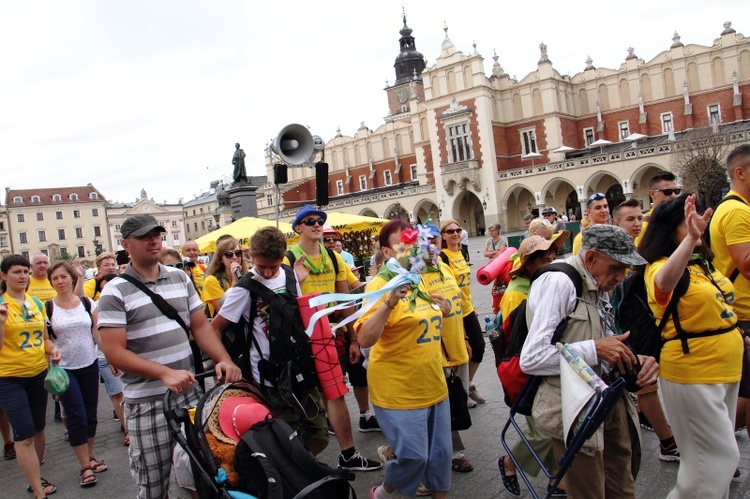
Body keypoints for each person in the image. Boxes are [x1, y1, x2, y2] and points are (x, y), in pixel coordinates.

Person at [97, 214, 241, 499]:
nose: (153, 241)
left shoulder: (179, 277)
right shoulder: (114, 291)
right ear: (126, 244)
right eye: (144, 236)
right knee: (153, 482)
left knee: (208, 472)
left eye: (157, 235)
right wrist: (162, 372)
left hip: (189, 393)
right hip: (147, 402)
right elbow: (113, 351)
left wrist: (223, 358)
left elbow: (200, 326)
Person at [520, 225, 658, 498]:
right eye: (617, 267)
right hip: (574, 409)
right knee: (589, 491)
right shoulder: (560, 282)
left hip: (609, 397)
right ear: (592, 257)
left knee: (623, 485)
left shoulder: (599, 281)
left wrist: (635, 360)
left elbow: (604, 341)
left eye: (627, 269)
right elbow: (532, 358)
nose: (621, 276)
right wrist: (596, 350)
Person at [639, 193, 743, 497]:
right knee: (716, 461)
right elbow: (664, 285)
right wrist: (691, 240)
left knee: (713, 468)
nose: (696, 223)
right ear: (670, 230)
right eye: (688, 222)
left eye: (697, 218)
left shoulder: (702, 264)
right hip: (693, 371)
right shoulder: (658, 267)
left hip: (724, 369)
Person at [211, 226, 329, 455]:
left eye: (272, 266)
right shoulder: (242, 290)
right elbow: (214, 328)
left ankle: (299, 469)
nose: (266, 273)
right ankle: (292, 479)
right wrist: (225, 361)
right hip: (268, 377)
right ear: (250, 255)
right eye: (261, 266)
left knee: (319, 434)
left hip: (299, 369)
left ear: (284, 254)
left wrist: (298, 282)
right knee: (284, 439)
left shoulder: (289, 273)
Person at [356, 219, 452, 499]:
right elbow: (364, 338)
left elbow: (424, 319)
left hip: (434, 384)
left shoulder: (418, 277)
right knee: (414, 457)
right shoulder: (378, 285)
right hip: (398, 389)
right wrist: (389, 302)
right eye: (402, 245)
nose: (410, 250)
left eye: (413, 243)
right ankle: (384, 493)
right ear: (386, 253)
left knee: (441, 455)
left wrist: (443, 310)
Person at [285, 205, 381, 471]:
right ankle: (302, 460)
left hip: (332, 336)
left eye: (320, 221)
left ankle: (347, 454)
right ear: (298, 228)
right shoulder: (289, 257)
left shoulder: (334, 257)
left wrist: (353, 339)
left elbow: (345, 300)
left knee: (335, 393)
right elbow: (283, 301)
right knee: (307, 397)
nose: (317, 225)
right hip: (303, 340)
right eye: (309, 221)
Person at [497, 234, 569, 498]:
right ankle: (510, 461)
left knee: (550, 428)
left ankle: (556, 480)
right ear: (528, 264)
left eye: (552, 258)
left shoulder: (546, 285)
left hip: (545, 367)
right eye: (543, 260)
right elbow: (514, 338)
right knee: (543, 430)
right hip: (527, 369)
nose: (550, 264)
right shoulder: (517, 292)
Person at [613, 198, 679, 459]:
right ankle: (667, 442)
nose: (638, 223)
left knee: (651, 381)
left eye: (640, 218)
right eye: (630, 219)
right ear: (616, 223)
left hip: (651, 321)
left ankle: (650, 420)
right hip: (630, 326)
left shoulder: (647, 246)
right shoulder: (615, 250)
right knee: (646, 385)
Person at [0, 254, 62, 498]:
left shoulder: (36, 303)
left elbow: (44, 339)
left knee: (38, 429)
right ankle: (38, 490)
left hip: (38, 374)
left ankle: (36, 475)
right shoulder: (1, 305)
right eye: (17, 272)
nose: (23, 277)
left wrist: (53, 350)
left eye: (25, 272)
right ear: (3, 276)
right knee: (24, 435)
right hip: (8, 377)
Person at [47, 261, 106, 488]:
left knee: (91, 414)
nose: (60, 281)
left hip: (89, 363)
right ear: (51, 282)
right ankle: (84, 466)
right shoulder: (48, 307)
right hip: (64, 369)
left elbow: (96, 333)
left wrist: (108, 358)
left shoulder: (86, 303)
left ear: (72, 278)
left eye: (64, 277)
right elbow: (45, 338)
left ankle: (88, 456)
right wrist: (51, 352)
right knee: (76, 414)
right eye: (55, 279)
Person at [706, 144, 750, 443]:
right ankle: (718, 445)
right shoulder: (736, 211)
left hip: (740, 312)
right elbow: (746, 263)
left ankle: (720, 446)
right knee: (745, 392)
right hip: (745, 315)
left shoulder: (736, 208)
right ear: (740, 172)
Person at [321, 226, 377, 432]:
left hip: (347, 323)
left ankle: (365, 415)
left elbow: (358, 289)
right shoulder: (307, 263)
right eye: (326, 240)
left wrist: (376, 282)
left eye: (333, 239)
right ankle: (329, 418)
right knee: (333, 379)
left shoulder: (339, 261)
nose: (331, 243)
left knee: (358, 372)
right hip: (325, 327)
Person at [440, 220, 486, 408]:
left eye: (458, 230)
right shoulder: (443, 257)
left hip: (467, 308)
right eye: (450, 231)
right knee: (464, 350)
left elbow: (465, 285)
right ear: (443, 236)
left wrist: (472, 305)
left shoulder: (461, 252)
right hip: (455, 311)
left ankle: (467, 384)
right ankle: (462, 391)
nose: (455, 233)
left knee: (479, 348)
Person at [93, 273, 129, 446]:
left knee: (127, 392)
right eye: (103, 286)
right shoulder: (96, 305)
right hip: (104, 356)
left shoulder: (125, 299)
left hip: (127, 354)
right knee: (117, 393)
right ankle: (127, 429)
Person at [203, 236, 247, 318]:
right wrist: (235, 283)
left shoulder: (246, 276)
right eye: (229, 254)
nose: (235, 257)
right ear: (220, 259)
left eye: (237, 253)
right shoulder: (211, 280)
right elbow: (225, 312)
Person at [635, 170, 680, 246]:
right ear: (652, 194)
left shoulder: (682, 220)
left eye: (676, 191)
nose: (674, 195)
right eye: (667, 192)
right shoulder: (645, 225)